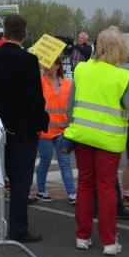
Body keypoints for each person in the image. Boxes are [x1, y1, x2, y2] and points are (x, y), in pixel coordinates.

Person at [0, 14, 49, 243]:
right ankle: (18, 229)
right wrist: (40, 123)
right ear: (25, 34)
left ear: (4, 33)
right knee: (20, 180)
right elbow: (36, 98)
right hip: (22, 130)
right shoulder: (29, 61)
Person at [64, 26, 129, 255]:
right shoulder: (124, 76)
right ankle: (109, 242)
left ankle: (82, 236)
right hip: (109, 141)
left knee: (85, 185)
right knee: (106, 189)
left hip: (82, 137)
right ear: (120, 49)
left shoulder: (82, 70)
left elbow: (70, 107)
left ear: (98, 46)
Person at [34, 57, 76, 205]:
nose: (45, 67)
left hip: (63, 130)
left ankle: (72, 193)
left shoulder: (68, 84)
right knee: (45, 161)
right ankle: (41, 190)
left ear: (58, 65)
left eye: (49, 64)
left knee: (65, 162)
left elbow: (72, 106)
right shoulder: (39, 82)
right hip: (45, 131)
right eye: (44, 64)